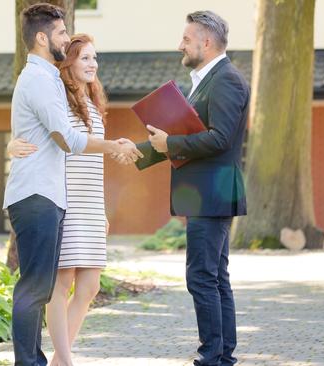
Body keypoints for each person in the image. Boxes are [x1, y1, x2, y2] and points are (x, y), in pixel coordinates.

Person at [3, 3, 142, 365]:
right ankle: (42, 361)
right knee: (38, 288)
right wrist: (113, 146)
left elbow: (36, 128)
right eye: (62, 33)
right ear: (41, 37)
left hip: (56, 195)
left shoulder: (46, 78)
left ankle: (45, 360)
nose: (66, 37)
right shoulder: (41, 80)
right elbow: (64, 138)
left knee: (44, 287)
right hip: (41, 194)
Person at [135, 10, 249, 366]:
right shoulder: (206, 79)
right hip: (209, 193)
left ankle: (212, 357)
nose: (179, 46)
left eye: (185, 39)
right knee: (214, 277)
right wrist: (134, 151)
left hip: (213, 193)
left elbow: (219, 138)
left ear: (206, 41)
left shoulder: (226, 79)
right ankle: (221, 355)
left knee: (202, 277)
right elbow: (182, 135)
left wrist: (172, 144)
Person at [8, 33, 110, 366]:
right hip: (63, 194)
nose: (92, 64)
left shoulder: (94, 104)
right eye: (84, 58)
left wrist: (102, 208)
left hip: (91, 200)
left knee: (91, 284)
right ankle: (65, 359)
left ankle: (57, 360)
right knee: (61, 283)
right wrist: (9, 146)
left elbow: (95, 160)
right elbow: (35, 136)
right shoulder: (57, 98)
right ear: (68, 63)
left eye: (95, 58)